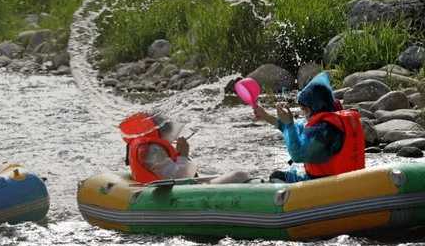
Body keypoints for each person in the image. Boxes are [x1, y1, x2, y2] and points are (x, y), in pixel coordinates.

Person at [252, 72, 365, 182]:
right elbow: (296, 131)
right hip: (350, 182)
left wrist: (289, 124)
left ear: (311, 109)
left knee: (276, 176)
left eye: (303, 109)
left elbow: (297, 155)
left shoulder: (324, 131)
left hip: (326, 186)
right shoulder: (332, 122)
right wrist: (266, 116)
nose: (302, 114)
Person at [120, 111, 248, 184]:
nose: (171, 136)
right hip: (167, 196)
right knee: (240, 175)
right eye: (168, 132)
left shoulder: (145, 146)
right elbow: (180, 179)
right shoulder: (154, 150)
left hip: (160, 189)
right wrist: (183, 155)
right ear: (158, 131)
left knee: (231, 176)